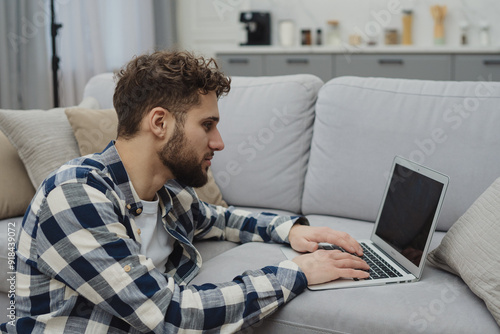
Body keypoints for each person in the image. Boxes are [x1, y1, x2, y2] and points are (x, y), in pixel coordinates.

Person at [1, 50, 369, 334]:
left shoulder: (165, 194)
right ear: (159, 122)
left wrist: (292, 230)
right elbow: (172, 315)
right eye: (207, 125)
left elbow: (220, 218)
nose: (219, 142)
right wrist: (297, 272)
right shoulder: (75, 197)